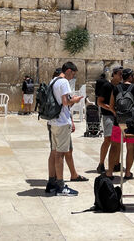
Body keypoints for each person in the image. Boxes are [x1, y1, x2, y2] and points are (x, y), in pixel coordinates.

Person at [45, 62, 84, 196]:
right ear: (68, 71)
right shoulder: (63, 82)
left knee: (53, 152)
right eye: (73, 74)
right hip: (62, 122)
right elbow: (65, 102)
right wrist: (76, 100)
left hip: (52, 121)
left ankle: (51, 183)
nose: (72, 77)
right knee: (60, 154)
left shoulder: (53, 81)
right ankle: (61, 186)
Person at [106, 68, 134, 180]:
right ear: (131, 77)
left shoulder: (116, 88)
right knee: (130, 148)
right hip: (132, 124)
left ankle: (109, 172)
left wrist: (117, 115)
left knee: (114, 147)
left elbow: (111, 106)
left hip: (118, 123)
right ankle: (127, 172)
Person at [96, 66, 123, 174]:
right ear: (114, 74)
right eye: (120, 74)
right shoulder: (107, 86)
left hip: (118, 116)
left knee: (118, 141)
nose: (121, 76)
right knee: (108, 140)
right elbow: (99, 102)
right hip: (108, 115)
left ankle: (116, 163)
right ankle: (101, 163)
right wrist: (111, 109)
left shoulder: (121, 86)